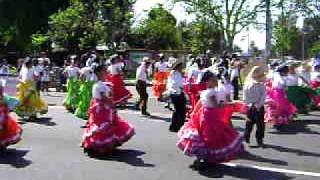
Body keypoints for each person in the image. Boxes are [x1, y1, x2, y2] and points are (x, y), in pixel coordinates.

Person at [177, 71, 244, 170]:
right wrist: (230, 104)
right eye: (213, 80)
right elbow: (215, 105)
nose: (216, 81)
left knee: (203, 136)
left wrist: (193, 113)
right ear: (208, 82)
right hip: (210, 116)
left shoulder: (205, 91)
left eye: (216, 79)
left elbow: (200, 103)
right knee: (211, 137)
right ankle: (206, 159)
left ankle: (202, 159)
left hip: (204, 115)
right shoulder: (212, 92)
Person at [81, 65, 135, 156]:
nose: (106, 73)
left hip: (104, 108)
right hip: (102, 110)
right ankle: (98, 145)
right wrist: (113, 104)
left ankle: (105, 145)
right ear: (99, 73)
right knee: (102, 127)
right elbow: (103, 98)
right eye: (104, 71)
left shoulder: (103, 84)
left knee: (109, 126)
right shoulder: (99, 85)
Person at [243, 66, 267, 146]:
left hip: (251, 106)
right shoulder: (260, 85)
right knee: (260, 124)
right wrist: (258, 105)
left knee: (249, 123)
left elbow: (245, 97)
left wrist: (249, 104)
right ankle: (258, 139)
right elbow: (263, 97)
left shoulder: (247, 84)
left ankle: (247, 137)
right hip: (258, 107)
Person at [166, 58, 187, 132]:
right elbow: (177, 84)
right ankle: (176, 126)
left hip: (178, 92)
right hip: (175, 93)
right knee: (179, 110)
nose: (182, 67)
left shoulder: (177, 73)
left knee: (180, 110)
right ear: (178, 66)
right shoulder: (174, 73)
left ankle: (176, 126)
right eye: (181, 65)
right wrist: (184, 85)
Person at [0, 82, 22, 150]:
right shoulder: (4, 97)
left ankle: (2, 144)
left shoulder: (4, 97)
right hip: (3, 117)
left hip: (3, 117)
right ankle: (2, 144)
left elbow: (14, 102)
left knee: (4, 129)